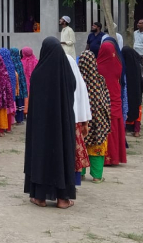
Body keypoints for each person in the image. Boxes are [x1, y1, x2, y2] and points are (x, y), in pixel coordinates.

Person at [24, 37, 77, 209]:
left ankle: (40, 197)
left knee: (41, 156)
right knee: (62, 155)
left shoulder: (38, 75)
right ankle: (63, 199)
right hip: (62, 126)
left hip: (41, 129)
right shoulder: (67, 73)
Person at [78, 50, 111, 183]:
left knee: (80, 146)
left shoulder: (77, 80)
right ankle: (97, 176)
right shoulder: (99, 79)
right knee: (96, 147)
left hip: (82, 118)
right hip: (98, 120)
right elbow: (106, 100)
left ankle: (80, 173)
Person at [97, 39, 127, 166]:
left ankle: (104, 157)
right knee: (115, 128)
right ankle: (115, 157)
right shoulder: (119, 65)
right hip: (115, 99)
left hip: (102, 101)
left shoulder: (97, 66)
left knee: (103, 129)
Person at [66, 53, 92, 186]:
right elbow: (84, 104)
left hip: (69, 122)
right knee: (75, 152)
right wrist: (85, 121)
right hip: (76, 121)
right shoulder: (79, 82)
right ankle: (74, 182)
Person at [122, 46, 143, 137]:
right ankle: (136, 131)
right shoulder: (136, 65)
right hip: (136, 93)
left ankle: (125, 129)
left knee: (125, 108)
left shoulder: (124, 66)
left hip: (127, 93)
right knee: (137, 110)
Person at [11, 48, 29, 123]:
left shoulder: (11, 62)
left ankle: (14, 119)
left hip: (15, 86)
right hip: (21, 86)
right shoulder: (19, 61)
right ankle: (20, 119)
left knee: (16, 102)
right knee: (20, 103)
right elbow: (22, 75)